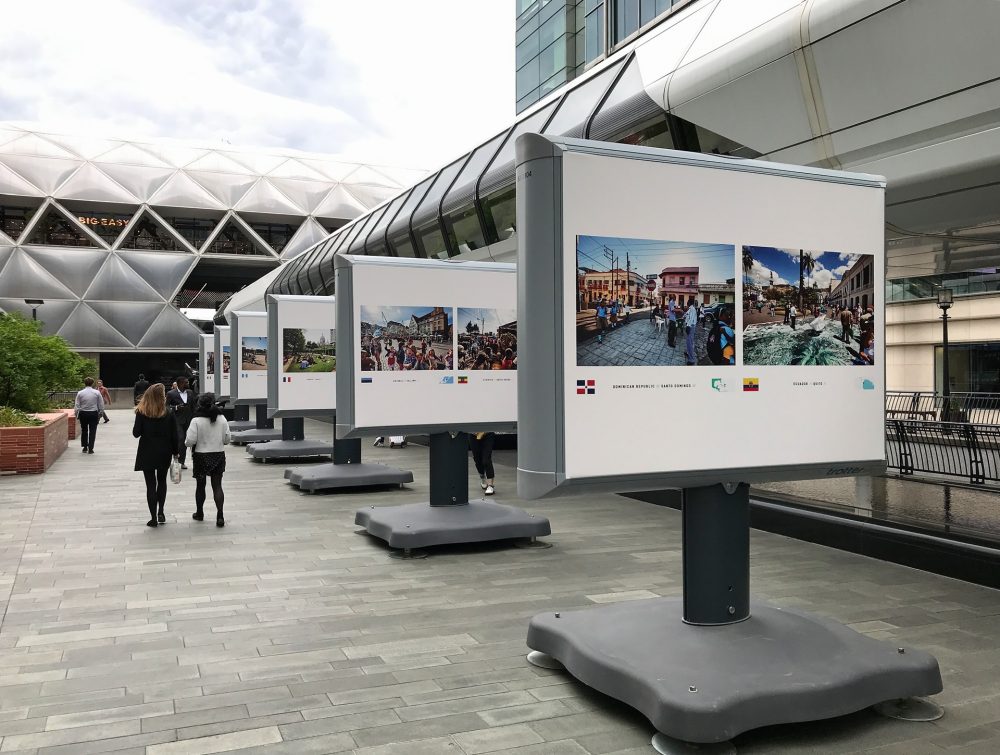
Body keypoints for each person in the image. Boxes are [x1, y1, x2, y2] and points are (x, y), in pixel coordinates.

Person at [133, 383, 179, 528]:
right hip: (164, 451)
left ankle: (152, 517)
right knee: (162, 482)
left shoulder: (142, 412)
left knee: (150, 485)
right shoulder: (168, 412)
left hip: (147, 451)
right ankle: (161, 512)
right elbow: (174, 435)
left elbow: (136, 433)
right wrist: (176, 452)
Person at [185, 393, 231, 527]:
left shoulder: (196, 420)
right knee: (217, 485)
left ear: (199, 404)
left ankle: (200, 513)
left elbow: (190, 441)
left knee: (200, 485)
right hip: (218, 454)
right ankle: (220, 515)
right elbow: (227, 439)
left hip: (201, 455)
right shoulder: (222, 418)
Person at [167, 376, 197, 470]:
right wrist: (176, 408)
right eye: (186, 382)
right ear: (180, 383)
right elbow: (166, 407)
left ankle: (183, 461)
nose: (188, 384)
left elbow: (194, 406)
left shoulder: (190, 392)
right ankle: (178, 461)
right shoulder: (171, 393)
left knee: (189, 440)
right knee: (180, 439)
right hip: (177, 421)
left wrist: (195, 418)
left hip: (190, 420)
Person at [74, 377, 104, 454]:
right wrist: (101, 412)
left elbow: (77, 404)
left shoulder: (80, 393)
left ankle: (84, 447)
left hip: (83, 413)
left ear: (85, 383)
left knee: (84, 430)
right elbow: (101, 403)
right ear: (92, 383)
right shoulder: (96, 392)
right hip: (93, 413)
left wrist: (76, 413)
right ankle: (91, 448)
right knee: (92, 431)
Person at [471, 431, 496, 496]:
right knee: (477, 460)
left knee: (486, 460)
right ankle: (483, 478)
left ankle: (490, 485)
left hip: (488, 433)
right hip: (473, 434)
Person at [683, 296, 698, 365]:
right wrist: (683, 315)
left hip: (691, 326)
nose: (687, 302)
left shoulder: (692, 309)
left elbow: (691, 319)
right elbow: (686, 315)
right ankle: (688, 353)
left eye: (688, 302)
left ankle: (691, 360)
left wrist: (688, 326)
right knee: (689, 341)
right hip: (690, 326)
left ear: (689, 303)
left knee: (690, 342)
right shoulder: (690, 309)